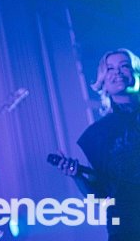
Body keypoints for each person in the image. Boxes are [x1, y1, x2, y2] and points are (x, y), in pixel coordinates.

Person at [56, 48, 140, 241]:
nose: (117, 72)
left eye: (124, 66)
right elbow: (100, 196)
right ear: (103, 82)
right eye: (110, 68)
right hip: (127, 229)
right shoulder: (96, 135)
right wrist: (77, 175)